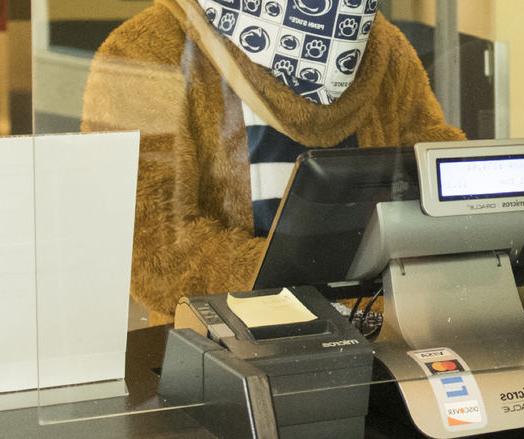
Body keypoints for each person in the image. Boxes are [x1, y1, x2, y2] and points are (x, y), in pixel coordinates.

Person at [81, 0, 465, 325]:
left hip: (386, 340)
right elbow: (152, 255)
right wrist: (358, 300)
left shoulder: (384, 49)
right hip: (225, 358)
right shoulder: (152, 47)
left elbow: (444, 193)